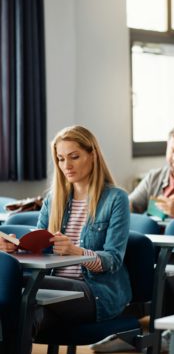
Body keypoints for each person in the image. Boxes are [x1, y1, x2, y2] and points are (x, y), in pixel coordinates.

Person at [0, 125, 131, 351]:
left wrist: (76, 252)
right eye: (60, 159)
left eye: (74, 157)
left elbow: (113, 260)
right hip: (49, 291)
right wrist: (16, 248)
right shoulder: (54, 199)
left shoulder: (116, 198)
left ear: (93, 155)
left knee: (16, 283)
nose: (66, 166)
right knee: (26, 316)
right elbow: (38, 247)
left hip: (94, 292)